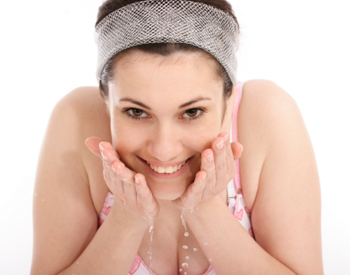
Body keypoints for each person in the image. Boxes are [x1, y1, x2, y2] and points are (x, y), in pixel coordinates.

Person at [30, 0, 324, 274]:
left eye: (192, 112)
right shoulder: (77, 118)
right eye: (135, 112)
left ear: (228, 98)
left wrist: (205, 209)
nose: (164, 149)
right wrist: (127, 219)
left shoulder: (267, 113)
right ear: (105, 99)